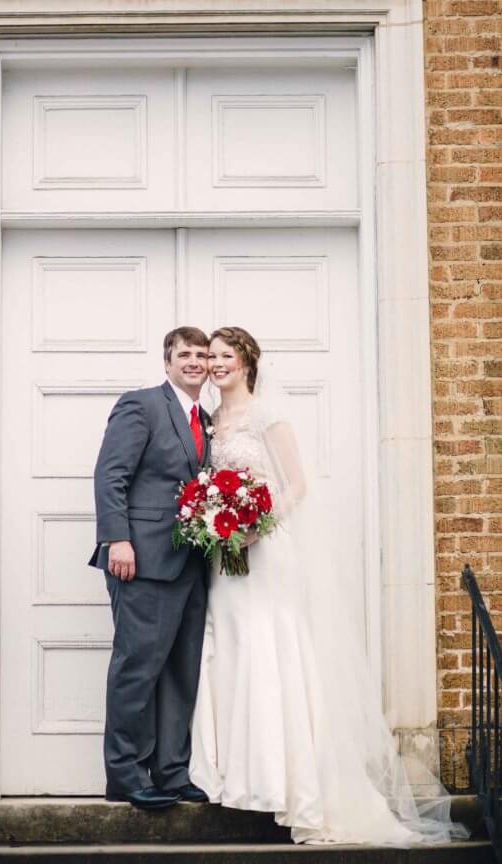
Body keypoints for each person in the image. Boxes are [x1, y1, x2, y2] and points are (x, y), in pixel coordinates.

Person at [189, 326, 468, 845]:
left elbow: (295, 485)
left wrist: (256, 525)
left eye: (226, 355)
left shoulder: (267, 416)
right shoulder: (208, 421)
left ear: (248, 361)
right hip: (223, 554)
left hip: (266, 551)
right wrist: (214, 520)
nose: (217, 363)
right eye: (212, 356)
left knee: (271, 650)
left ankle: (290, 785)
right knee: (228, 648)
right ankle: (240, 777)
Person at [90, 326, 212, 810]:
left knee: (180, 674)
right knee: (136, 670)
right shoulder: (140, 405)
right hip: (139, 561)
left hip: (191, 563)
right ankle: (124, 775)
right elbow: (110, 474)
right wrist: (117, 538)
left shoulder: (205, 418)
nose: (195, 361)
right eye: (185, 354)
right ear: (167, 362)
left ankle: (171, 771)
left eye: (202, 354)